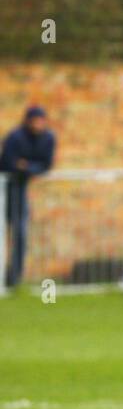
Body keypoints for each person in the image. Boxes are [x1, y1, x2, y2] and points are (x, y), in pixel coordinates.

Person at [1, 106, 56, 288]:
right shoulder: (15, 137)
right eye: (35, 120)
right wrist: (29, 167)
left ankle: (13, 278)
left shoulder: (48, 138)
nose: (38, 125)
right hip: (6, 187)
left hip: (19, 190)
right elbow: (9, 163)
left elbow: (46, 164)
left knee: (20, 233)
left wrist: (26, 167)